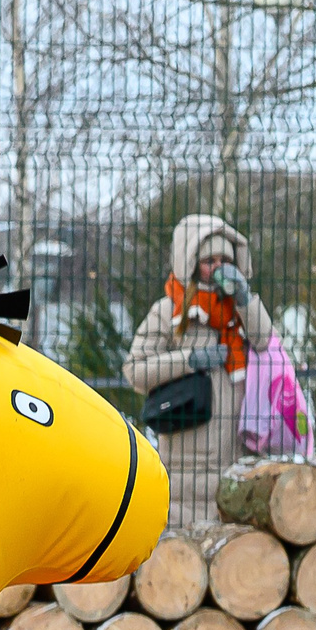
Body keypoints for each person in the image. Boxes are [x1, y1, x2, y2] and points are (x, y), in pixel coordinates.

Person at [125, 213, 274, 528]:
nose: (219, 268)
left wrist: (245, 298)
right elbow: (135, 370)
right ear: (191, 262)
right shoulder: (169, 311)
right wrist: (190, 360)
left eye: (225, 260)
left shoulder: (240, 312)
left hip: (235, 460)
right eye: (210, 260)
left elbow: (264, 342)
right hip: (185, 467)